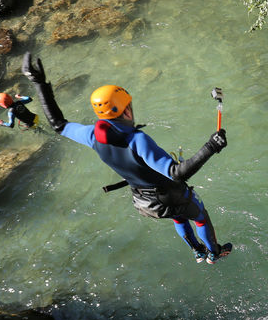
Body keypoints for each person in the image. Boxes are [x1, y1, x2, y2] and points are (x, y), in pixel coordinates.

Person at [21, 52, 232, 264]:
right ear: (126, 109)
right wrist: (211, 146)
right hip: (168, 193)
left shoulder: (93, 136)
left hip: (144, 201)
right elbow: (177, 173)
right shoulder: (136, 139)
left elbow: (58, 125)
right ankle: (214, 253)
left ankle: (197, 250)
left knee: (178, 216)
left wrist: (39, 83)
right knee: (200, 217)